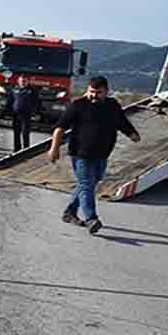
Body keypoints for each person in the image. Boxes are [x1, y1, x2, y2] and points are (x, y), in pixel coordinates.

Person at [47, 77, 141, 234]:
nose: (94, 95)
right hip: (81, 154)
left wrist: (132, 134)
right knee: (86, 184)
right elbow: (60, 128)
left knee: (89, 183)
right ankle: (91, 218)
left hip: (102, 154)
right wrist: (54, 148)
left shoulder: (112, 105)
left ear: (106, 92)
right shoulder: (78, 105)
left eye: (98, 92)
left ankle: (69, 212)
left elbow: (122, 122)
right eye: (91, 91)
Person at [11, 74, 41, 152]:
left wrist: (37, 113)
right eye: (21, 81)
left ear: (28, 82)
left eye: (24, 81)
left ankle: (26, 150)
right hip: (16, 114)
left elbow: (37, 102)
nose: (23, 83)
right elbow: (10, 100)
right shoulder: (14, 89)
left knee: (25, 133)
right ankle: (16, 149)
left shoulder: (32, 90)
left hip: (26, 115)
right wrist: (8, 111)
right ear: (18, 81)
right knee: (16, 133)